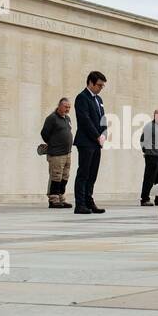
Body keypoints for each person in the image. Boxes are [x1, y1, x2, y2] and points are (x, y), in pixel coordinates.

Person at [72, 71, 107, 215]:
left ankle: (89, 200)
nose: (100, 88)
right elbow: (85, 120)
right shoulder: (82, 98)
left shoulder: (99, 99)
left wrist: (104, 134)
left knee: (93, 174)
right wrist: (96, 136)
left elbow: (103, 119)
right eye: (99, 85)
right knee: (84, 173)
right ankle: (80, 204)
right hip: (86, 142)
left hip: (97, 142)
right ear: (90, 83)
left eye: (102, 86)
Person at [40, 97, 73, 209]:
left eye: (69, 107)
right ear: (59, 106)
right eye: (65, 107)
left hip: (67, 153)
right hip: (56, 154)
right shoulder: (52, 118)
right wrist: (53, 143)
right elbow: (44, 134)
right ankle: (53, 200)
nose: (67, 109)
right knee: (56, 176)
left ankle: (61, 197)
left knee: (65, 176)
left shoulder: (67, 119)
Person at [139, 108, 158, 206]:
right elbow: (142, 140)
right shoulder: (149, 126)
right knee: (149, 178)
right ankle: (145, 199)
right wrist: (146, 152)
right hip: (152, 156)